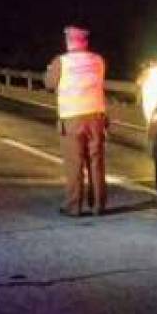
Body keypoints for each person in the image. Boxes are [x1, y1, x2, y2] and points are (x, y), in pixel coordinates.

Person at [44, 26, 107, 216]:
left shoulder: (61, 62)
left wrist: (48, 71)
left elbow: (49, 84)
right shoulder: (98, 60)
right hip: (96, 117)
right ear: (85, 42)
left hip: (72, 119)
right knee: (96, 162)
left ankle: (74, 206)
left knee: (75, 163)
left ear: (69, 41)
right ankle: (98, 205)